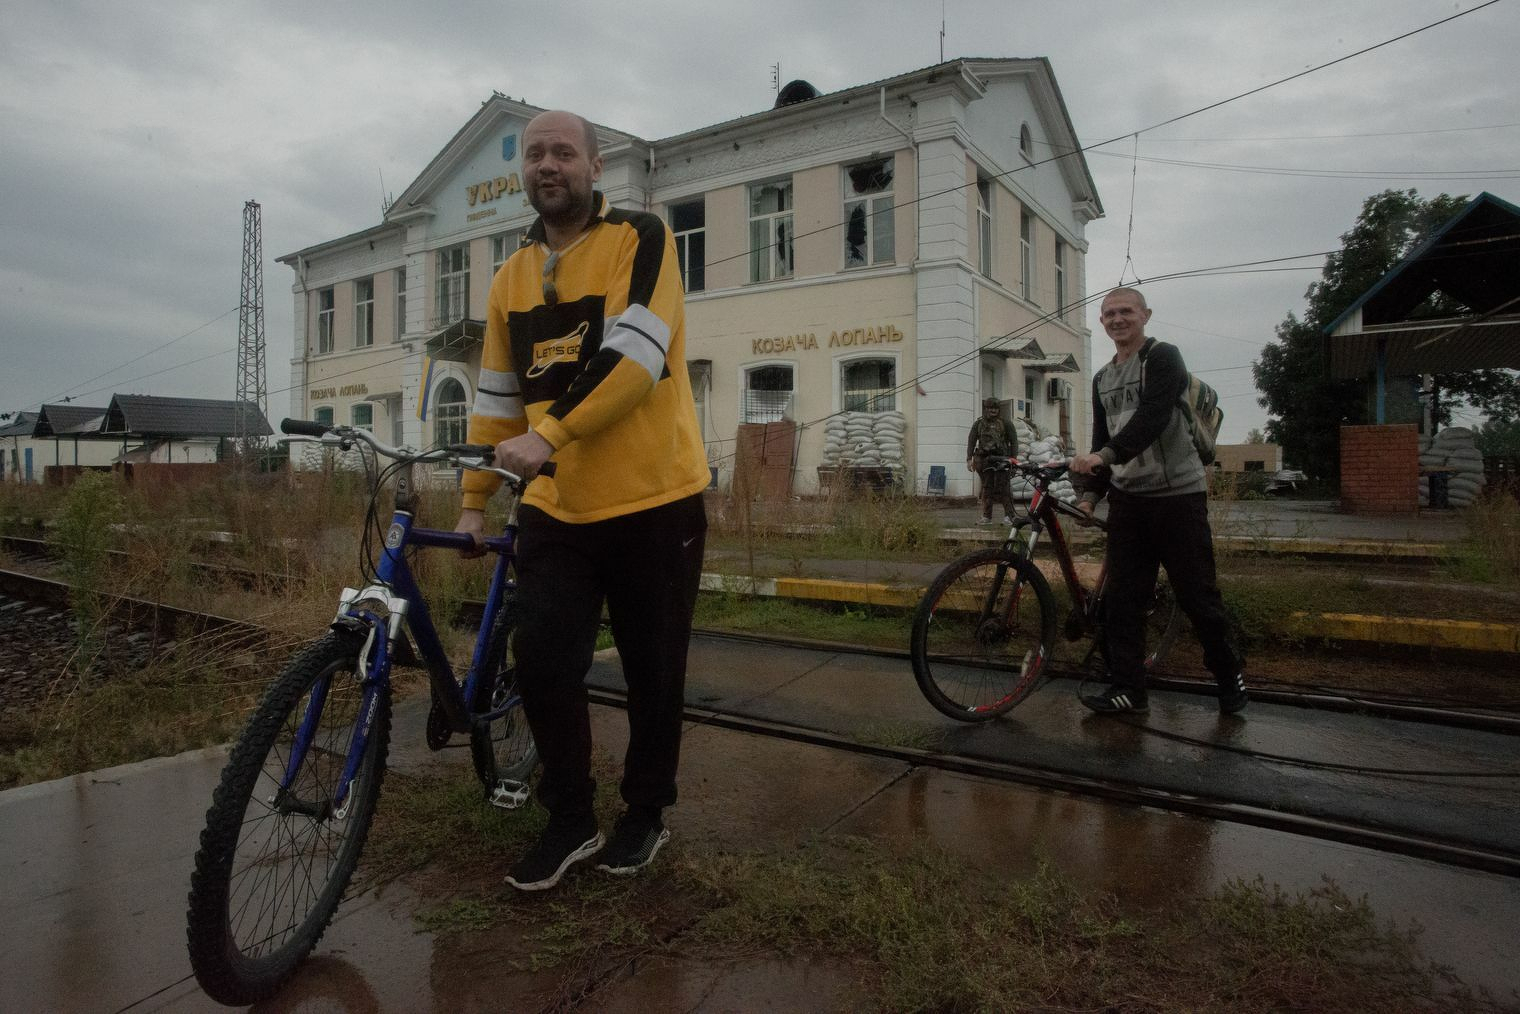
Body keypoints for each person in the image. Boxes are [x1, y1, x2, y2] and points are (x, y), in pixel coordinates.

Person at [454, 110, 711, 891]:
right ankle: (569, 818)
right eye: (535, 154)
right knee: (541, 660)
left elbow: (636, 358)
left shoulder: (642, 238)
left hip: (654, 499)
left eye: (563, 152)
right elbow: (497, 398)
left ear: (596, 166)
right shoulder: (510, 277)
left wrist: (550, 434)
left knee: (652, 670)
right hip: (556, 503)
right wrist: (473, 499)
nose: (547, 164)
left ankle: (645, 813)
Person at [1068, 287, 1247, 716]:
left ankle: (1229, 674)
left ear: (1145, 315)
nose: (1117, 319)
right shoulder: (1102, 378)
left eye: (1126, 311)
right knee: (1123, 601)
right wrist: (1090, 497)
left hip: (1178, 497)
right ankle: (1128, 689)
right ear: (1102, 322)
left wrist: (1104, 456)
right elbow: (1102, 437)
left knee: (1197, 596)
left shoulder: (1163, 357)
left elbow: (1152, 417)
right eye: (1109, 314)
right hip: (1129, 500)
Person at [966, 397, 1019, 525]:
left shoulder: (1006, 423)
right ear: (986, 408)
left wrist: (1014, 459)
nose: (993, 410)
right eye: (990, 408)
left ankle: (1009, 516)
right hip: (984, 459)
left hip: (1002, 459)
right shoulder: (978, 424)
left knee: (1004, 488)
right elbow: (971, 440)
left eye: (995, 408)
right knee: (987, 488)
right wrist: (969, 458)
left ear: (999, 409)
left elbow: (1014, 442)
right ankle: (986, 517)